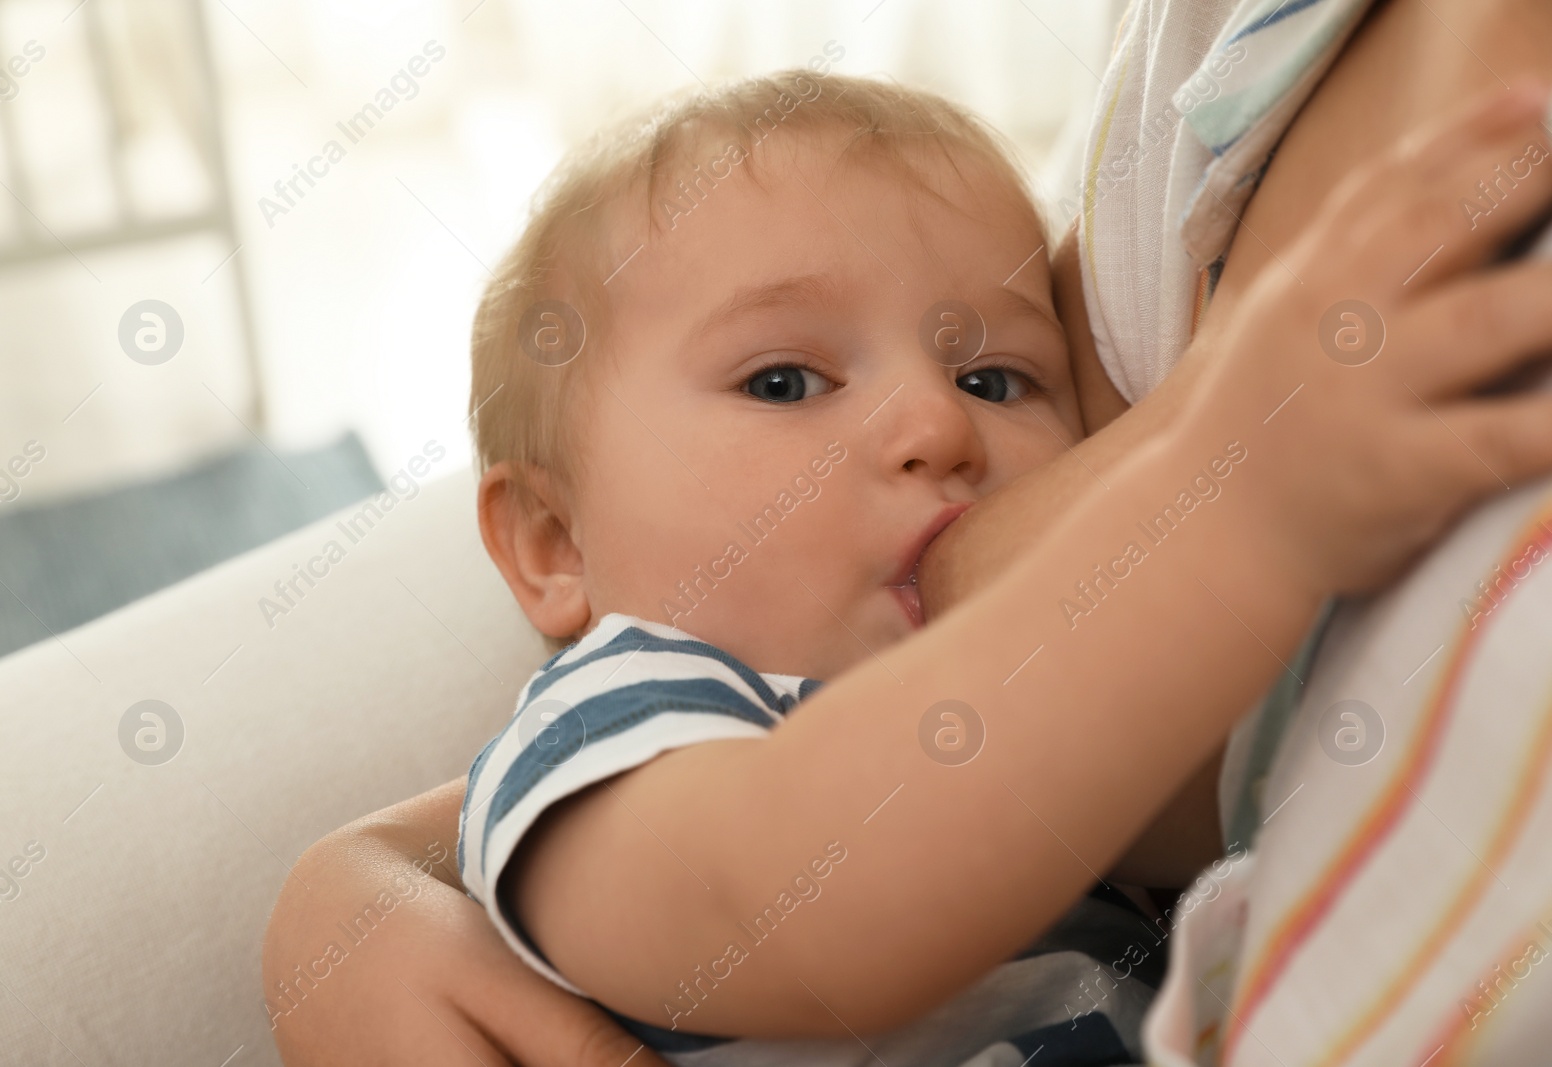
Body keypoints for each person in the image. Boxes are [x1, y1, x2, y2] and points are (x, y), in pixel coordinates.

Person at [261, 42, 1552, 1064]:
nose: (935, 425)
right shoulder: (614, 740)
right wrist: (1241, 507)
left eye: (996, 373)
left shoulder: (1083, 794)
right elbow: (805, 899)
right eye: (784, 379)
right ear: (552, 543)